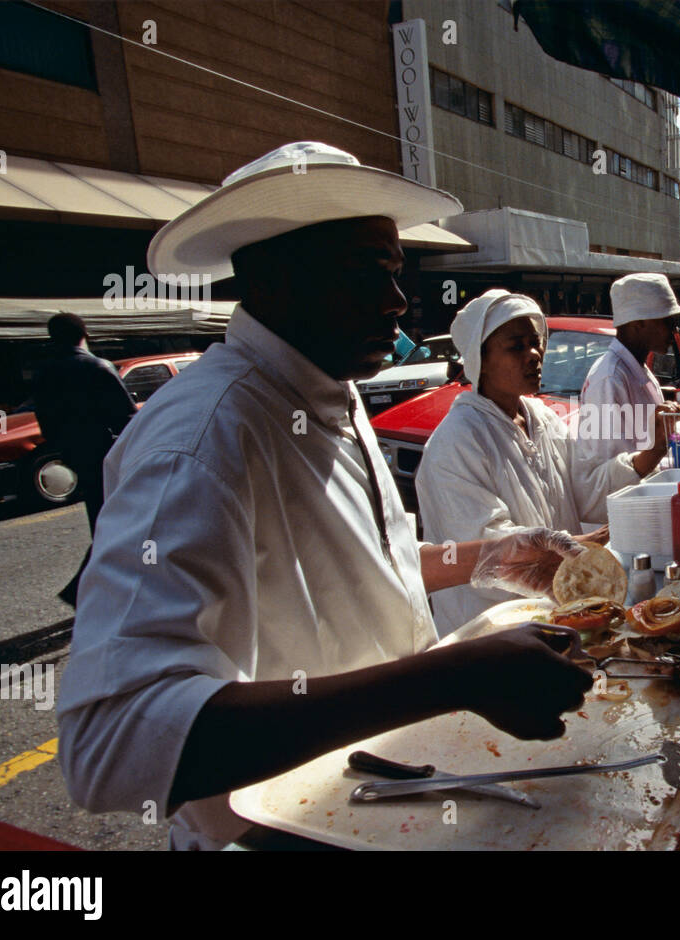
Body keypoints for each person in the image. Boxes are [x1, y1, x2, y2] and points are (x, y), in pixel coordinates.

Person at [56, 142, 593, 850]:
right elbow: (109, 743)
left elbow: (372, 569)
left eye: (397, 273)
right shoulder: (204, 433)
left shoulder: (329, 392)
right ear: (276, 277)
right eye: (367, 274)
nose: (398, 302)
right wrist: (454, 676)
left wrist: (496, 555)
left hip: (386, 802)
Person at [417, 290, 646, 634]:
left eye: (535, 343)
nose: (534, 354)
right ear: (480, 361)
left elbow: (585, 490)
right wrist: (570, 546)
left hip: (553, 616)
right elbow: (488, 550)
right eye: (516, 347)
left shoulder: (542, 418)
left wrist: (648, 458)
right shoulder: (457, 442)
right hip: (492, 632)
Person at [31, 312, 138, 606]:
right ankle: (84, 590)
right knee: (123, 523)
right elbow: (127, 419)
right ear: (84, 333)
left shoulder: (44, 374)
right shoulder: (97, 367)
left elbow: (45, 423)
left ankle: (102, 591)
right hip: (108, 455)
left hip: (74, 455)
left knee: (104, 520)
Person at [577, 272, 680, 467]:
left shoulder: (638, 370)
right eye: (667, 322)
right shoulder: (610, 378)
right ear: (638, 323)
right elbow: (614, 472)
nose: (674, 330)